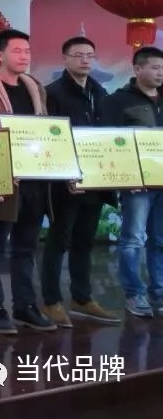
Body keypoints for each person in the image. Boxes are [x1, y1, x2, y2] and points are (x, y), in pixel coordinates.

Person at [0, 29, 57, 334]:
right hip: (3, 178)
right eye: (17, 51)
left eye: (27, 51)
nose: (24, 56)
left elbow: (45, 129)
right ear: (0, 55)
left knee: (26, 246)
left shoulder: (34, 87)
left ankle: (25, 306)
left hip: (34, 178)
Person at [41, 36, 119, 326]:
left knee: (84, 241)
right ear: (65, 59)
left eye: (90, 55)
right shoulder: (53, 93)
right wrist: (65, 173)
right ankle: (51, 301)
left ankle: (82, 298)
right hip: (66, 184)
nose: (85, 60)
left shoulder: (101, 92)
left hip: (95, 180)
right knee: (58, 240)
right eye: (78, 55)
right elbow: (50, 139)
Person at [101, 45, 163, 318]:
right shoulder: (119, 101)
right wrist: (127, 175)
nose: (160, 73)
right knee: (133, 239)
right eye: (155, 68)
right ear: (137, 69)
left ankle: (159, 292)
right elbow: (109, 142)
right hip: (136, 184)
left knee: (160, 240)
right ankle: (134, 293)